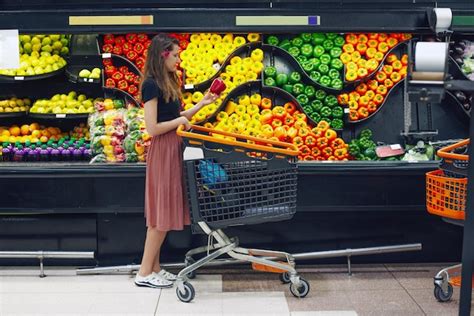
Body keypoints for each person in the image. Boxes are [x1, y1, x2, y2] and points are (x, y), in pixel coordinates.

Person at [135, 33, 219, 288]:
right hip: (163, 150)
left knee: (164, 210)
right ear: (163, 55)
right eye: (176, 54)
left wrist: (202, 104)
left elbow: (176, 115)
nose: (179, 59)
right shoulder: (150, 85)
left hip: (174, 147)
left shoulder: (167, 81)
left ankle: (155, 268)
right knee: (160, 214)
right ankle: (143, 273)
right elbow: (152, 128)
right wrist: (180, 122)